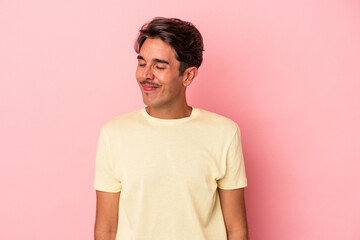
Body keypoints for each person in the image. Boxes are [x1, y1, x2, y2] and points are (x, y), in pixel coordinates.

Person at [94, 17, 248, 240]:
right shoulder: (114, 134)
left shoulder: (224, 133)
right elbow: (106, 228)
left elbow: (236, 228)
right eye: (141, 63)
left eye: (159, 66)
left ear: (188, 76)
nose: (146, 75)